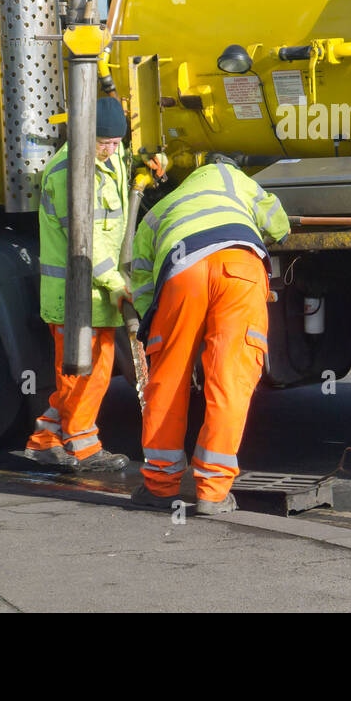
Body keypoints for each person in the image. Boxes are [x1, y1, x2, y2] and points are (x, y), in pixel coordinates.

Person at [128, 155, 290, 514]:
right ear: (231, 166)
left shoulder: (163, 206)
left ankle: (160, 485)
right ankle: (213, 493)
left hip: (181, 271)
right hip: (239, 267)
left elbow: (139, 275)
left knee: (168, 379)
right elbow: (279, 224)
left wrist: (152, 319)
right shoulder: (235, 181)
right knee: (229, 380)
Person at [23, 97, 134, 472]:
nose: (112, 150)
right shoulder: (68, 174)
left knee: (84, 373)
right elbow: (86, 240)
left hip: (93, 292)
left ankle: (44, 441)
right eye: (105, 143)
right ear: (85, 137)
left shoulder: (105, 156)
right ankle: (83, 449)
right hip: (76, 294)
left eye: (117, 143)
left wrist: (151, 161)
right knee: (83, 374)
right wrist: (118, 284)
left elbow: (120, 161)